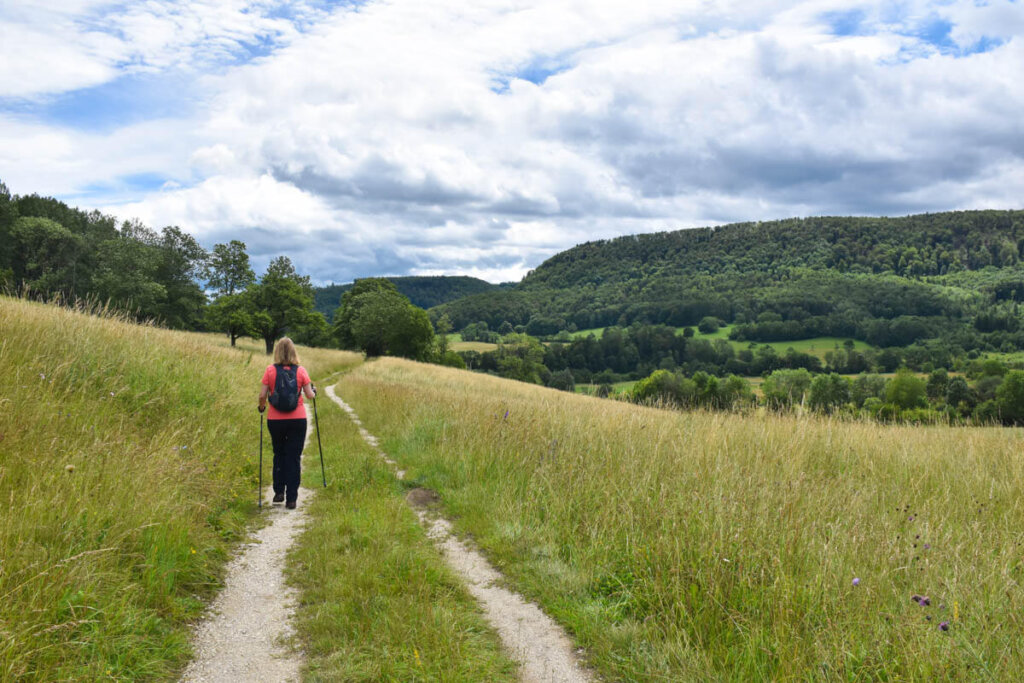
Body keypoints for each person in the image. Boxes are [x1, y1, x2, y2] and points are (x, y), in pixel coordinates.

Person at [258, 337, 316, 509]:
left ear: (276, 351)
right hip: (297, 420)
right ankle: (291, 499)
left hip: (275, 420)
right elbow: (310, 395)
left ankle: (278, 492)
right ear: (293, 352)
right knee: (294, 457)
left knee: (279, 454)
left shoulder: (270, 370)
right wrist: (314, 391)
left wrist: (262, 407)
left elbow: (262, 395)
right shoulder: (301, 371)